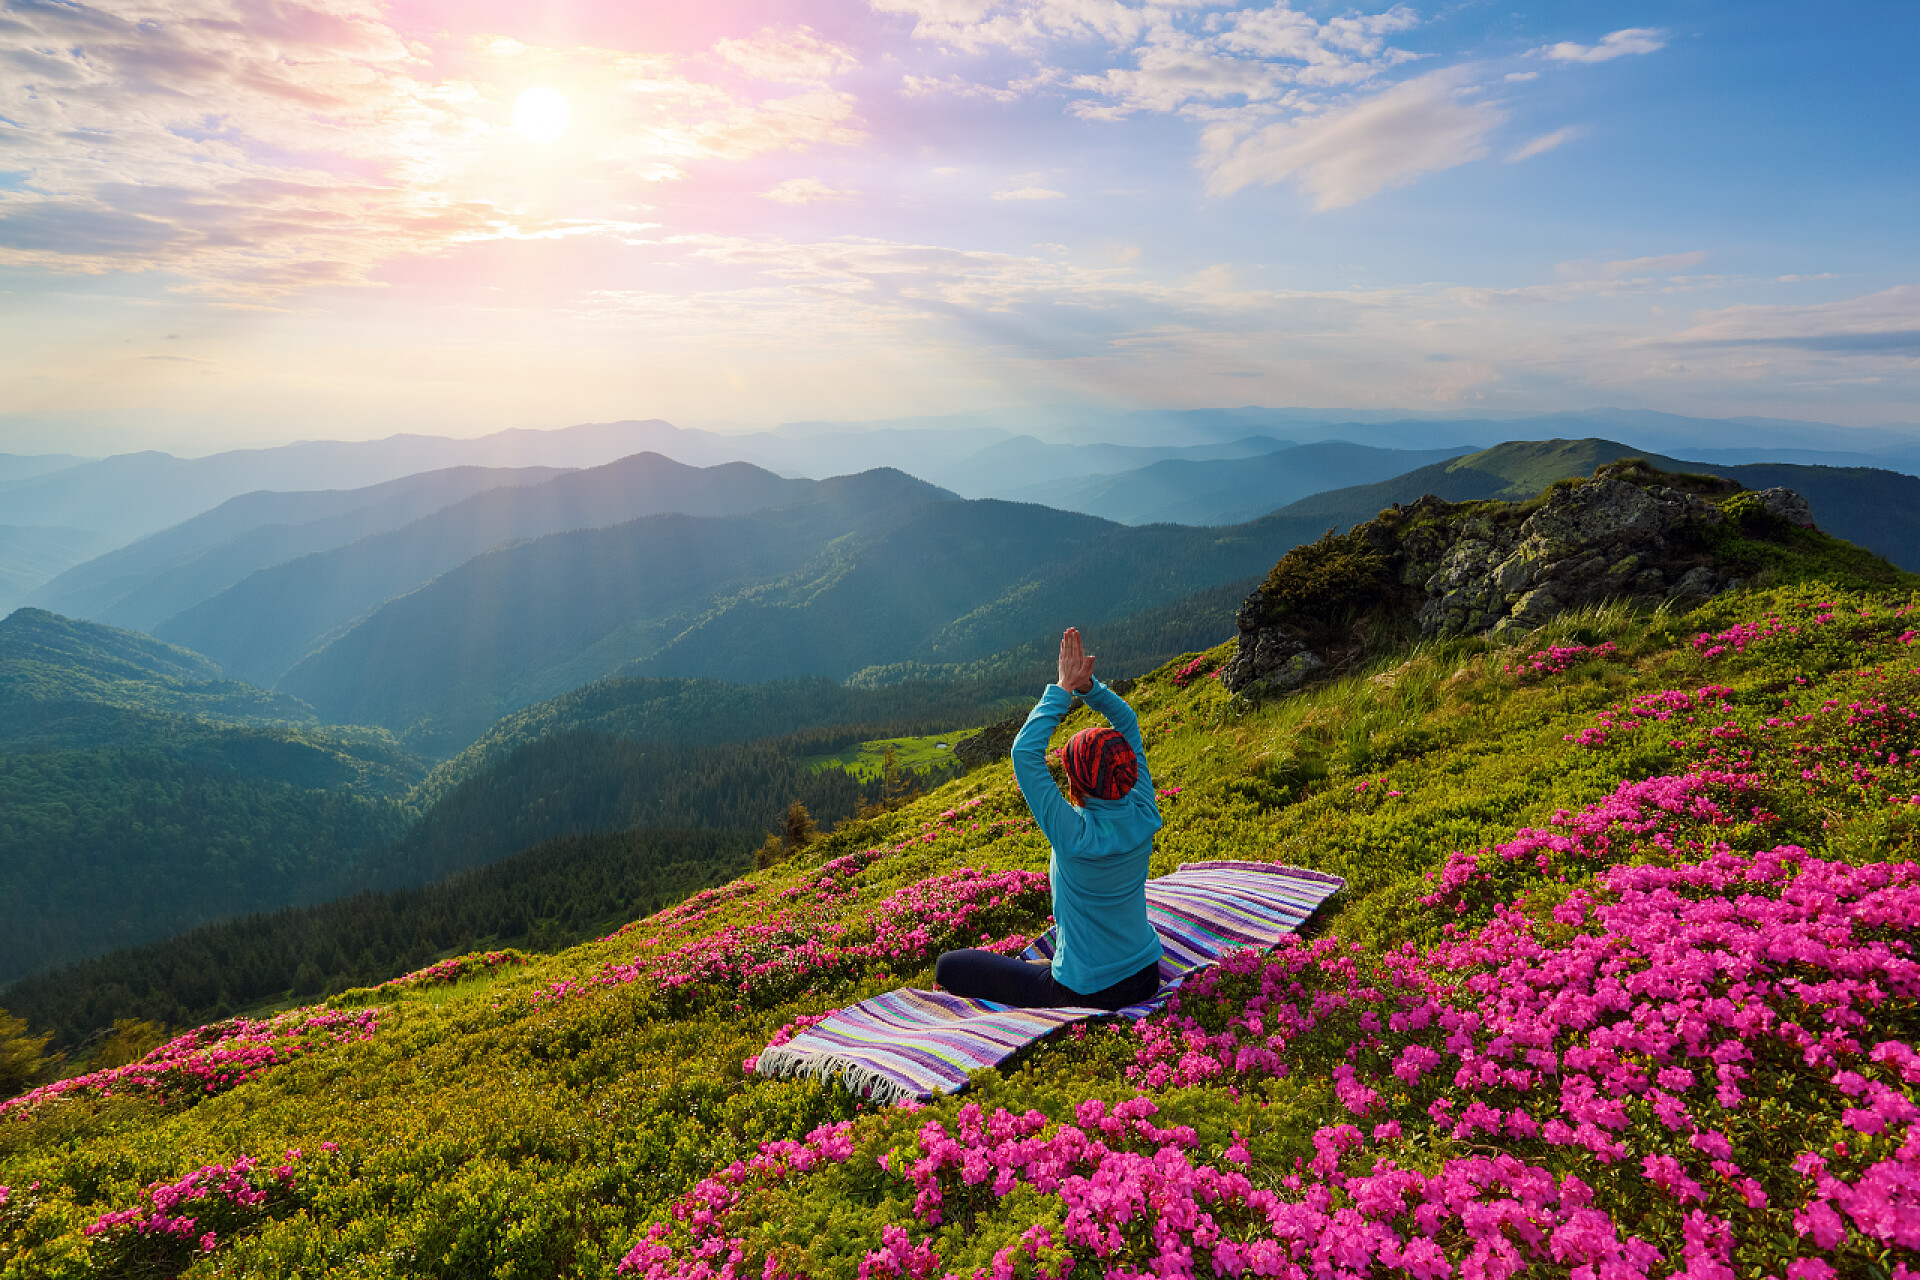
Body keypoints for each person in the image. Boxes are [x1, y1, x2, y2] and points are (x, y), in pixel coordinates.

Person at [934, 627, 1164, 1010]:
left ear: (1077, 780)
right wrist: (1090, 688)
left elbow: (1024, 753)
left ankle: (1049, 975)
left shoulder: (1074, 837)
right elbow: (1128, 722)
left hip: (1086, 990)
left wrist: (1064, 687)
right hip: (1145, 975)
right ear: (1129, 768)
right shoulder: (1144, 810)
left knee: (949, 966)